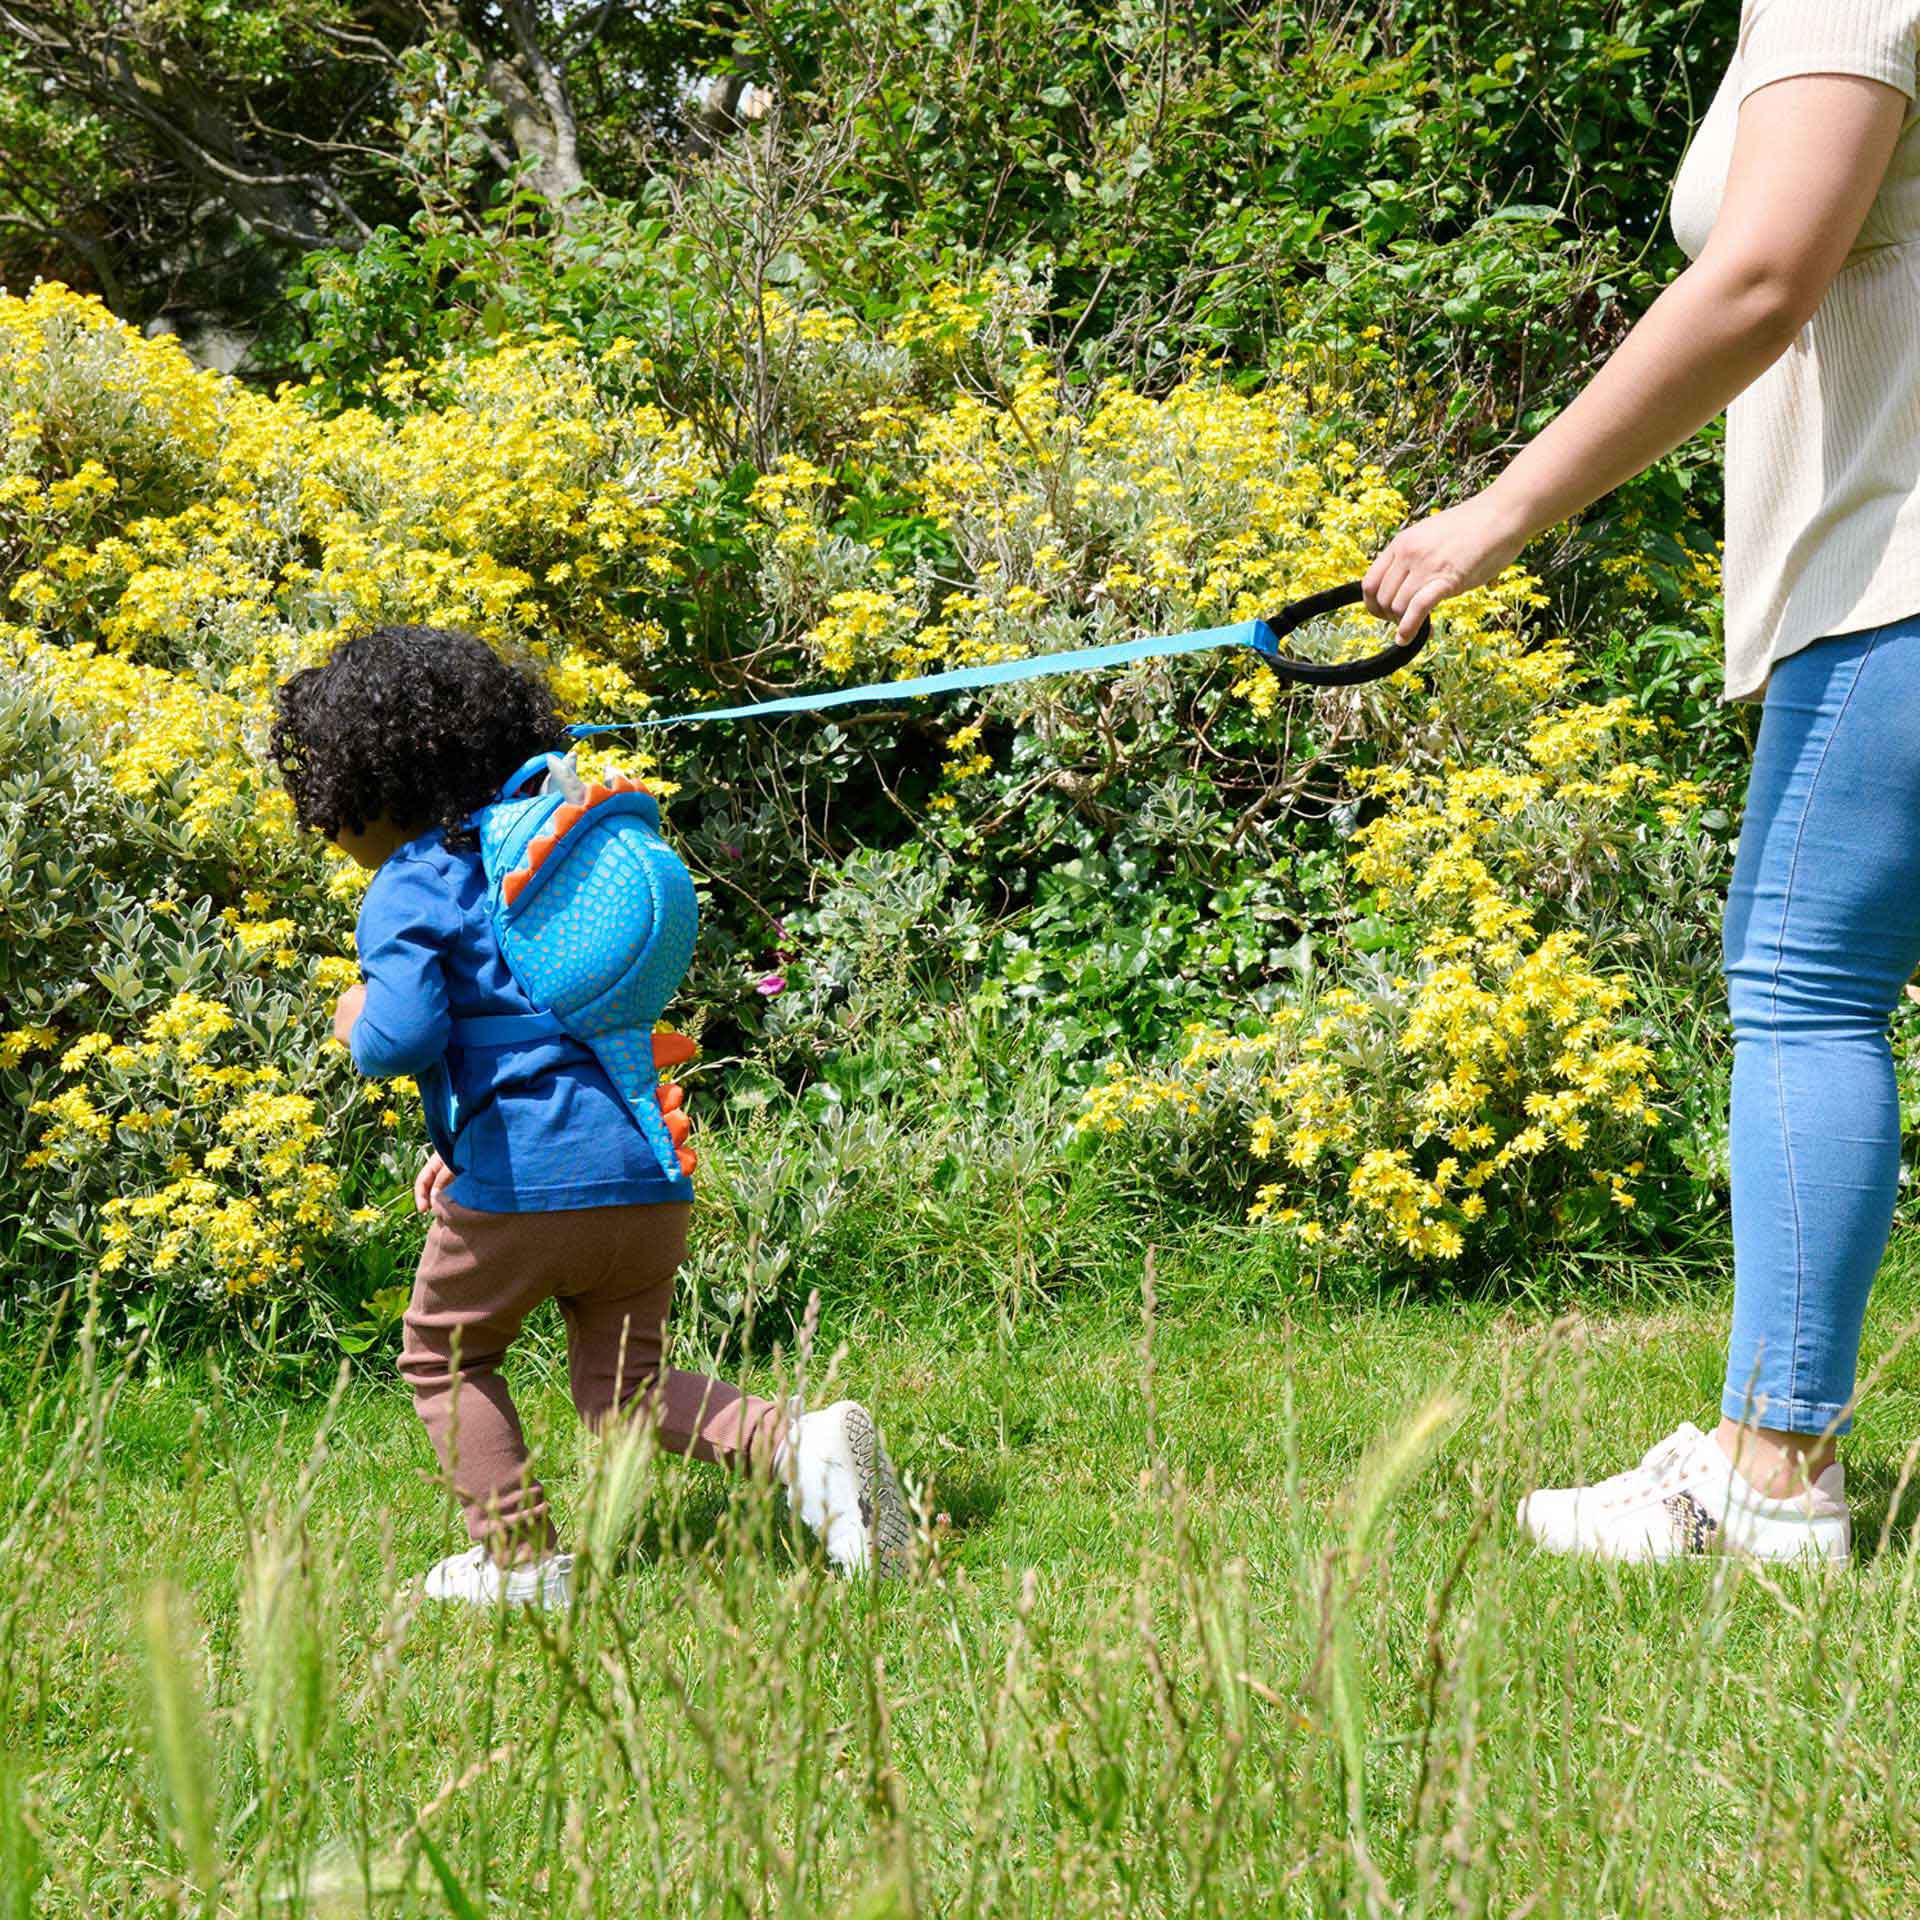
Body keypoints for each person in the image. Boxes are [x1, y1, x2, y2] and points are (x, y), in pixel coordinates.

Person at [1362, 1, 1920, 1562]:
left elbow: (1759, 275)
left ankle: (1775, 1467)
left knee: (1806, 983)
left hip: (1897, 564)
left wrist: (1500, 511)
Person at [271, 624, 909, 1606]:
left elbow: (400, 1037)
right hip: (644, 1170)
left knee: (446, 1356)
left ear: (372, 784)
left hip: (527, 1188)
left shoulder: (415, 880)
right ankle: (804, 1448)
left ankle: (521, 1563)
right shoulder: (551, 846)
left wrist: (355, 1014)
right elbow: (540, 1028)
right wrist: (458, 1142)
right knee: (626, 1393)